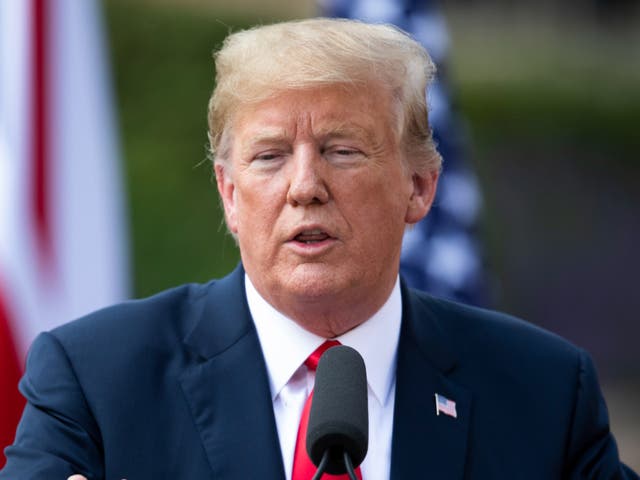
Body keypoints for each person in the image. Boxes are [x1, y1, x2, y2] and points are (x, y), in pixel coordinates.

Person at [0, 18, 637, 480]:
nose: (305, 187)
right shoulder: (96, 377)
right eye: (270, 157)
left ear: (419, 187)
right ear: (229, 194)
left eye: (342, 150)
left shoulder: (544, 392)